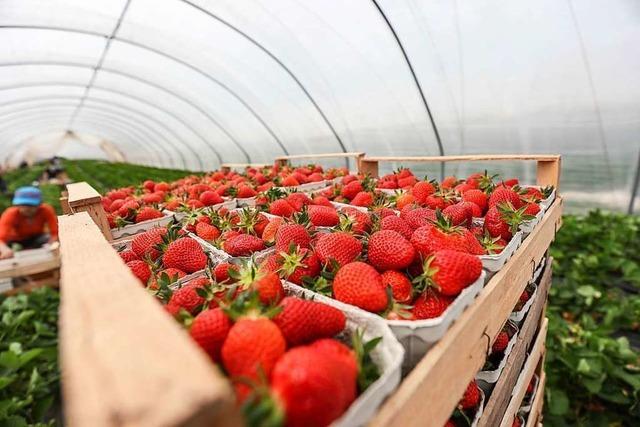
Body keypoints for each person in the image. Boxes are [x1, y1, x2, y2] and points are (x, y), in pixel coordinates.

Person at [0, 186, 58, 259]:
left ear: (39, 204)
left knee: (49, 239)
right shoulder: (10, 214)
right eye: (23, 205)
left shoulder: (46, 210)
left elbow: (55, 233)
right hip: (15, 240)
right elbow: (1, 239)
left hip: (36, 238)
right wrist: (5, 250)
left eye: (30, 205)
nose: (26, 208)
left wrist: (52, 244)